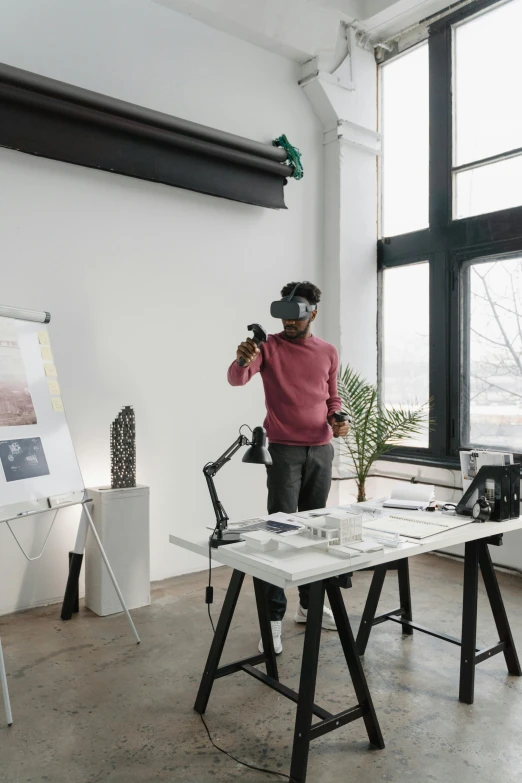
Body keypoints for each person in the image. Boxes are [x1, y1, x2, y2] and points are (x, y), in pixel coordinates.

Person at [227, 281, 350, 654]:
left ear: (312, 313)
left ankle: (308, 606)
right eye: (283, 312)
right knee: (279, 533)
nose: (289, 322)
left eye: (296, 313)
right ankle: (273, 618)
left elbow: (332, 397)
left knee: (315, 531)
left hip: (321, 450)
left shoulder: (327, 352)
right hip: (283, 452)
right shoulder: (268, 348)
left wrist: (339, 419)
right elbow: (236, 378)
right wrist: (244, 358)